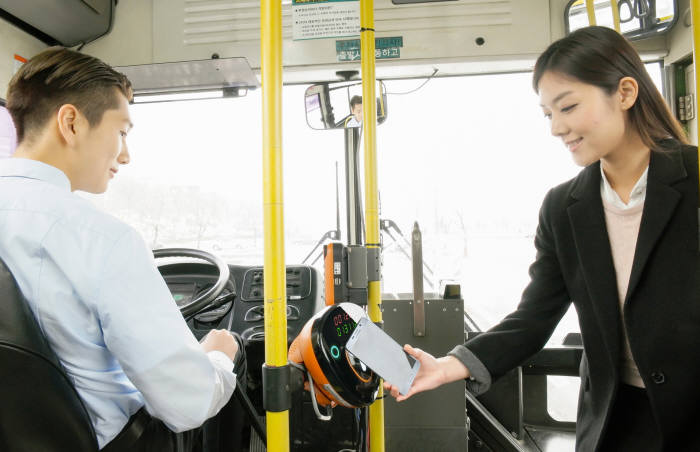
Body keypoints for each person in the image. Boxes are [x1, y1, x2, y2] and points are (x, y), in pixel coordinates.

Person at [385, 26, 699, 451]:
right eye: (548, 114)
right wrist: (449, 365)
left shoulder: (693, 180)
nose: (556, 128)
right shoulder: (564, 208)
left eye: (567, 107)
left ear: (625, 93)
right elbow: (533, 319)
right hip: (616, 422)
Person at [0, 47, 241, 451]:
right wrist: (218, 357)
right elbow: (187, 404)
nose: (125, 155)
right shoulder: (103, 241)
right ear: (71, 122)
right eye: (122, 132)